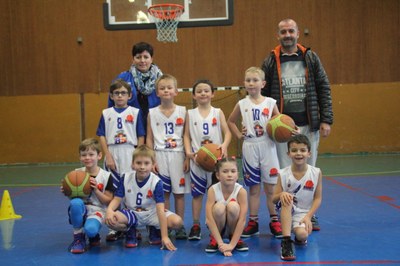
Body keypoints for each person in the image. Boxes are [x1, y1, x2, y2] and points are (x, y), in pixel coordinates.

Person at [261, 18, 332, 231]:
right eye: (283, 32)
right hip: (283, 130)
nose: (287, 35)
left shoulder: (310, 57)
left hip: (308, 124)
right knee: (285, 173)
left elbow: (323, 87)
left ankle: (309, 214)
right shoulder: (271, 61)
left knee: (308, 170)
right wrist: (265, 123)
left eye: (291, 31)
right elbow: (262, 94)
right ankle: (287, 213)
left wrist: (326, 119)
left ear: (298, 33)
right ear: (278, 35)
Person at [227, 67, 282, 239]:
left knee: (271, 187)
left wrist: (287, 131)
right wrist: (238, 135)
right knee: (253, 188)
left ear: (263, 83)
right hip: (250, 145)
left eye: (255, 80)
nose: (251, 83)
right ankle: (253, 221)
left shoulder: (271, 102)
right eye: (248, 80)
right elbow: (231, 121)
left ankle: (275, 220)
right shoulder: (242, 103)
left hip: (268, 145)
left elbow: (281, 123)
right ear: (244, 83)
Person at [105, 145, 183, 250]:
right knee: (110, 220)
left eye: (146, 163)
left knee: (177, 222)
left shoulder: (156, 182)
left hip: (152, 214)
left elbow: (160, 210)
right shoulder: (125, 178)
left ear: (153, 165)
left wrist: (164, 236)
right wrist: (109, 210)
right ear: (133, 164)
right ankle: (130, 229)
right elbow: (117, 199)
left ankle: (154, 228)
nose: (142, 167)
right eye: (138, 163)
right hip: (132, 214)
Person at [97, 79, 145, 241]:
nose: (119, 96)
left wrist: (138, 157)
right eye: (116, 93)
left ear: (129, 95)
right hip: (113, 151)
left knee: (130, 190)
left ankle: (131, 225)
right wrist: (108, 155)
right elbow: (102, 135)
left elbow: (141, 136)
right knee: (113, 190)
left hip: (129, 151)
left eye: (123, 93)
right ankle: (113, 226)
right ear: (111, 95)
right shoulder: (106, 113)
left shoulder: (135, 112)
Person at [184, 79, 232, 240]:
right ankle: (196, 224)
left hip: (216, 162)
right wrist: (188, 152)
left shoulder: (218, 112)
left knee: (217, 195)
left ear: (213, 94)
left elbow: (228, 133)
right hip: (198, 160)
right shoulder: (189, 114)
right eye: (199, 91)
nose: (203, 93)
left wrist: (224, 146)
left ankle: (216, 225)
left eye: (206, 90)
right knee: (197, 195)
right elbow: (186, 135)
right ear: (193, 95)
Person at [146, 74, 190, 239]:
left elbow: (187, 136)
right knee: (163, 194)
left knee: (179, 193)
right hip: (160, 154)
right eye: (162, 88)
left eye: (169, 88)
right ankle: (165, 224)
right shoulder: (152, 113)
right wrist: (152, 160)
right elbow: (149, 138)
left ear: (176, 91)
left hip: (178, 154)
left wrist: (187, 157)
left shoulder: (183, 111)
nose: (166, 91)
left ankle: (179, 225)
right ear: (157, 92)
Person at [272, 134, 322, 261]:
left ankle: (296, 233)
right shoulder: (282, 173)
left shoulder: (316, 173)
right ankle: (286, 241)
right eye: (294, 150)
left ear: (309, 153)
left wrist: (309, 216)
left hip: (303, 213)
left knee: (302, 235)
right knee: (287, 198)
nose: (298, 153)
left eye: (302, 150)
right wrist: (281, 194)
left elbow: (317, 198)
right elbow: (273, 199)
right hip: (286, 210)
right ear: (288, 153)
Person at [62, 138, 114, 254]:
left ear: (99, 155)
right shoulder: (76, 173)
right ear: (80, 157)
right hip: (81, 208)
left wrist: (96, 190)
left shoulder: (106, 176)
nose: (87, 157)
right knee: (75, 203)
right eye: (84, 155)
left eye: (91, 154)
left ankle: (93, 235)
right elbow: (72, 197)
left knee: (90, 230)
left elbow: (108, 201)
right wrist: (67, 191)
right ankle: (78, 238)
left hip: (97, 210)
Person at [109, 42, 163, 134]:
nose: (142, 60)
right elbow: (111, 105)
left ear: (151, 59)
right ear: (133, 60)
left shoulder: (161, 79)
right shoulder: (123, 78)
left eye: (146, 57)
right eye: (138, 57)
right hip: (129, 128)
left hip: (156, 126)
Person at [205, 157, 249, 256]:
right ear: (218, 175)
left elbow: (242, 220)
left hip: (233, 226)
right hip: (217, 226)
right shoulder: (212, 190)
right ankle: (215, 238)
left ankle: (234, 236)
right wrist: (221, 244)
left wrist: (231, 245)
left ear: (237, 175)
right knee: (219, 207)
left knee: (233, 206)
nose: (229, 175)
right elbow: (209, 219)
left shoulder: (241, 192)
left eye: (233, 171)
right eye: (225, 171)